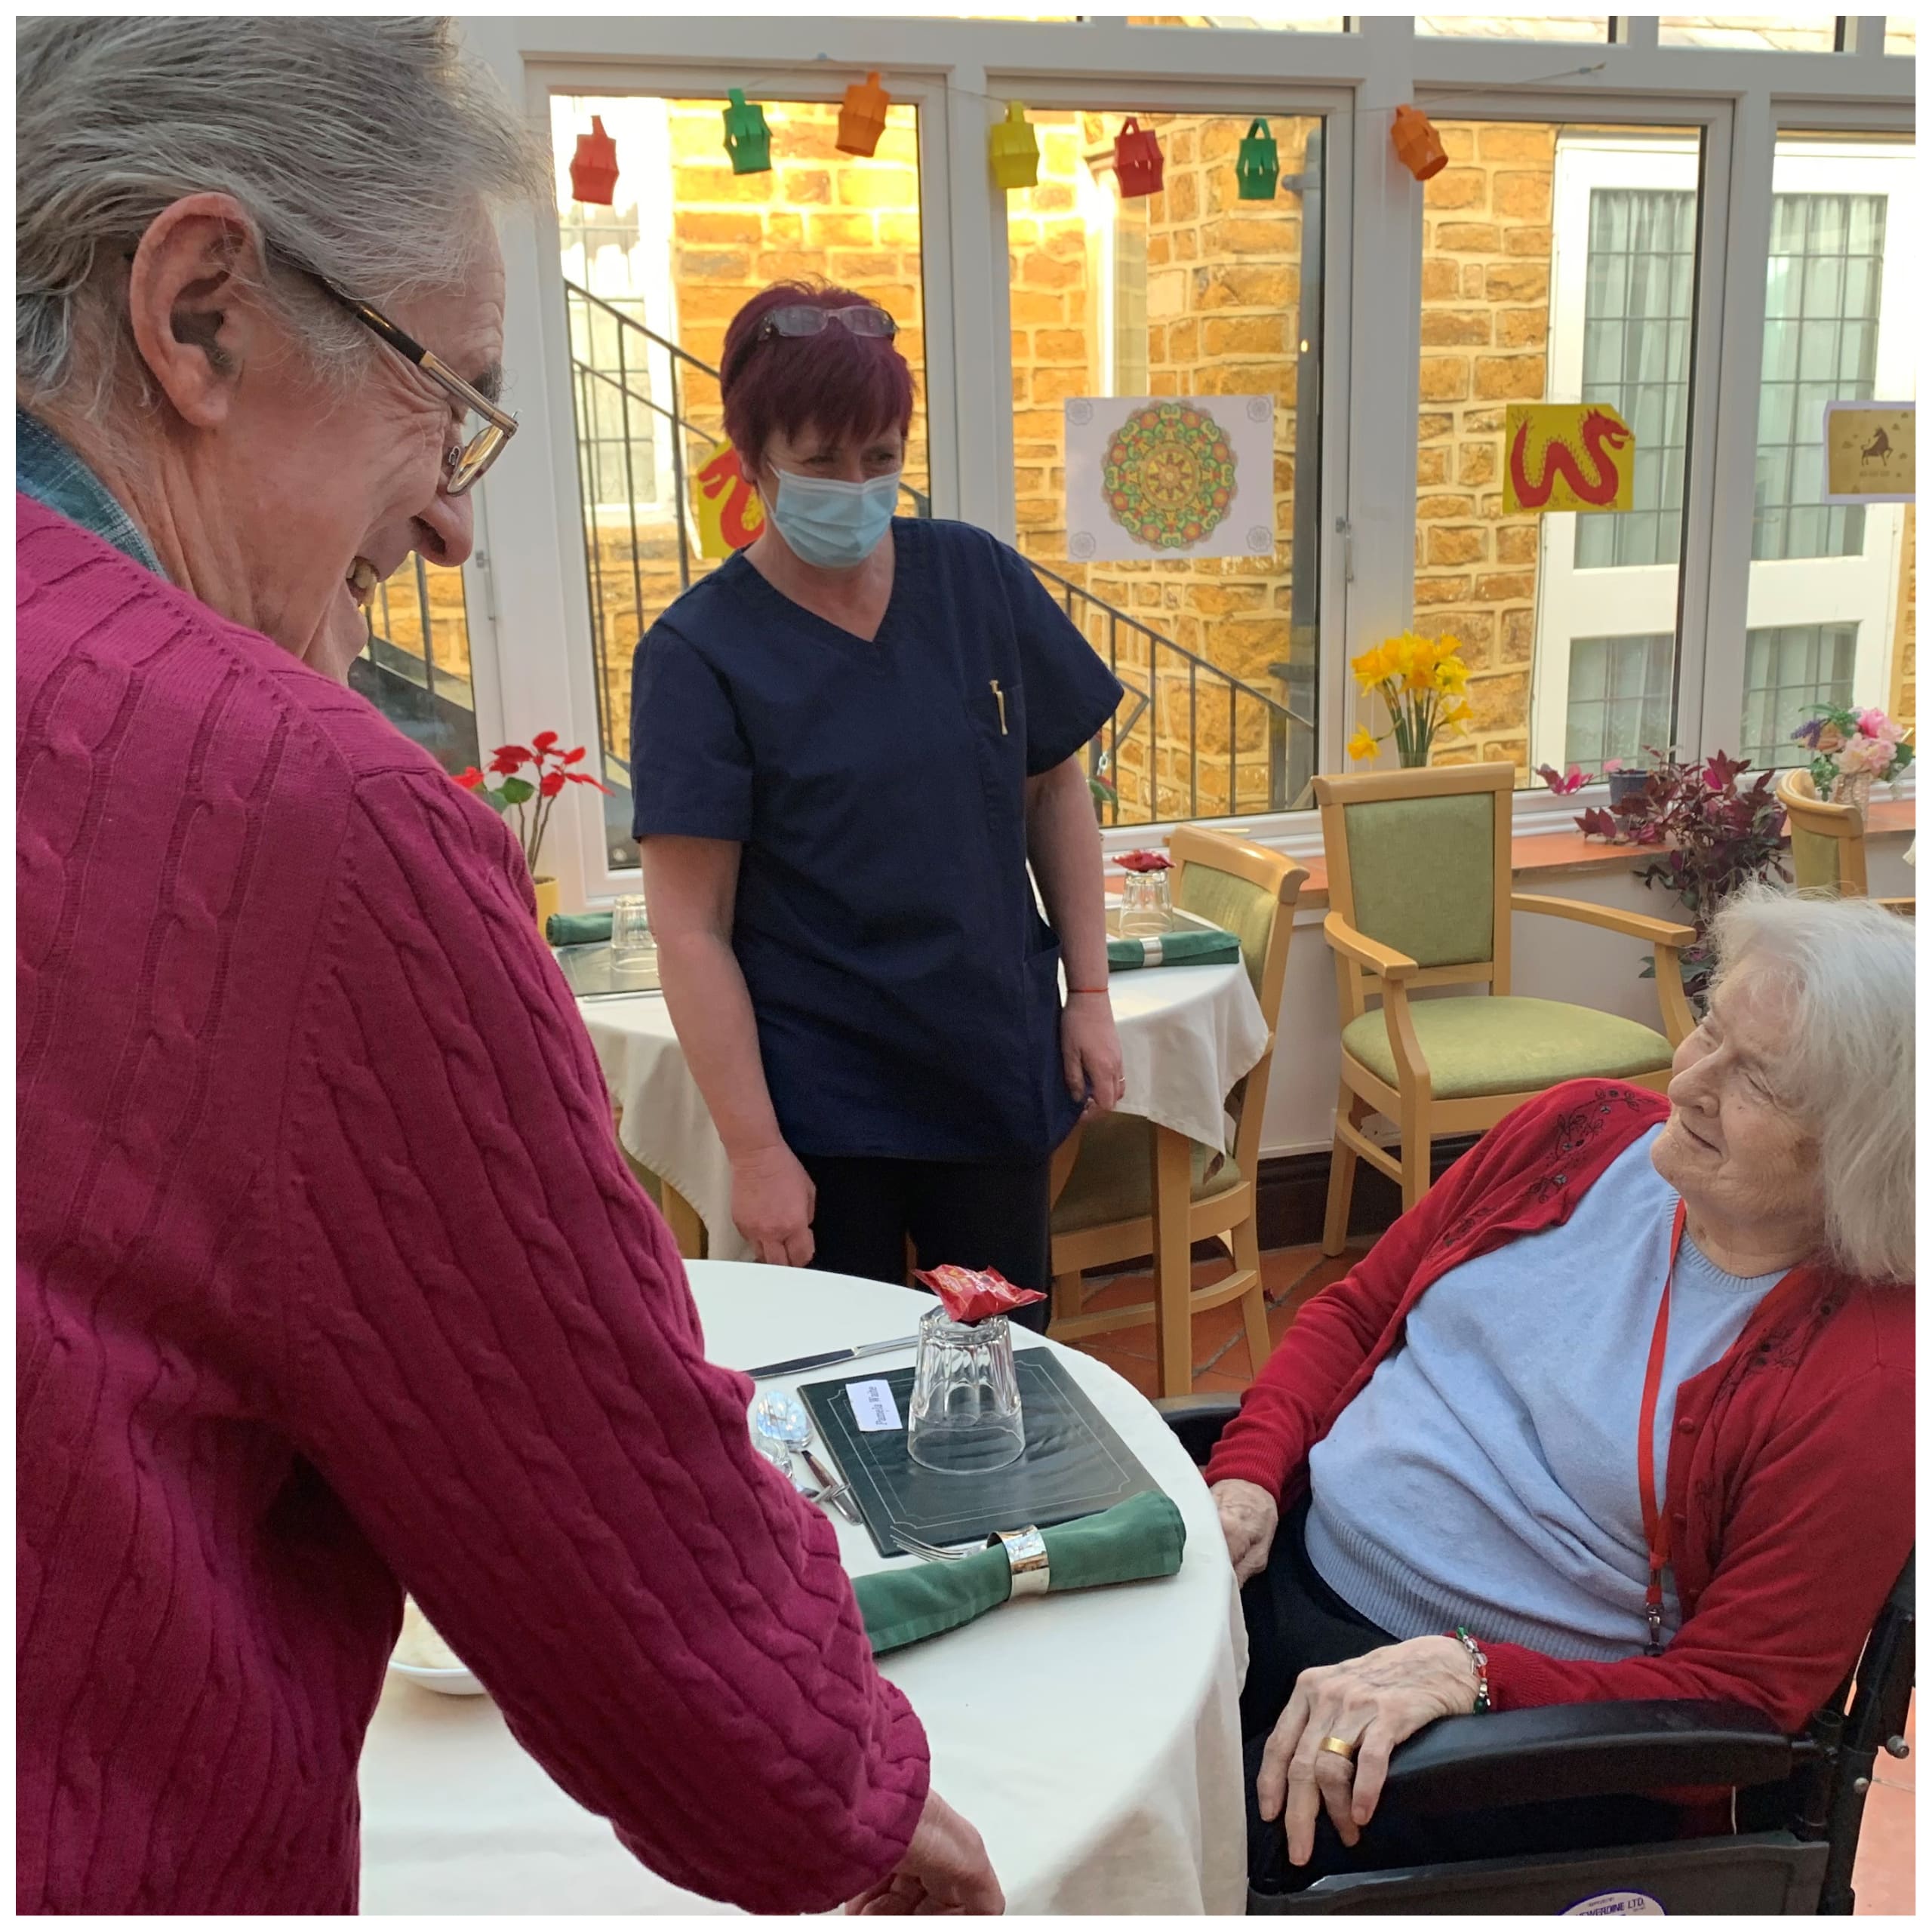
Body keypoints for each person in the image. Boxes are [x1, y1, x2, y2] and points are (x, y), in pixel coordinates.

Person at [16, 19, 999, 1915]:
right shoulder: (306, 813)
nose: (458, 513)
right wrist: (858, 1797)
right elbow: (624, 1543)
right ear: (199, 307)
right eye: (440, 393)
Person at [1202, 890, 1913, 1895]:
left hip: (1510, 1737)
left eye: (1758, 1076)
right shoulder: (1577, 1130)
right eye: (1709, 1028)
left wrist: (1469, 1675)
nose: (1693, 1079)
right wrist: (1248, 1479)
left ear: (1864, 1150)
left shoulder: (1870, 1376)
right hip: (1285, 1579)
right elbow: (1358, 1312)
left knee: (1195, 1858)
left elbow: (1741, 1699)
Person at [632, 281, 1126, 1324]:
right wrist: (755, 1148)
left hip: (987, 1063)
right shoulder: (698, 656)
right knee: (843, 1390)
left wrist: (1089, 996)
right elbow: (690, 931)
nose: (854, 487)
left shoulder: (976, 580)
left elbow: (1054, 790)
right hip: (823, 1103)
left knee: (1006, 1372)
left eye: (880, 460)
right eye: (820, 463)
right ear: (753, 457)